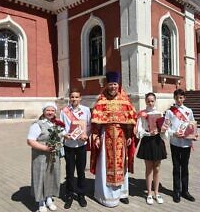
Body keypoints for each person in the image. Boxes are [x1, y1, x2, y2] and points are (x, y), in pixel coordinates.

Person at [90, 71, 137, 207]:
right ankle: (106, 195)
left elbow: (131, 119)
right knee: (105, 165)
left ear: (118, 85)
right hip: (106, 135)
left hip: (121, 136)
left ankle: (122, 193)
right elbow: (96, 121)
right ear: (107, 85)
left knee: (121, 164)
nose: (113, 87)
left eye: (115, 84)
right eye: (110, 84)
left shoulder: (125, 100)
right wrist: (96, 136)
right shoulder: (101, 100)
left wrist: (129, 135)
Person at [161, 89, 198, 203]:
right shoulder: (170, 112)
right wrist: (173, 133)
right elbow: (165, 128)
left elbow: (192, 125)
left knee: (185, 167)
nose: (179, 100)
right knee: (176, 168)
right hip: (175, 143)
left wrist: (194, 134)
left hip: (186, 143)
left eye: (181, 97)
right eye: (177, 98)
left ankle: (185, 191)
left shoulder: (189, 111)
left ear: (184, 98)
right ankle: (176, 191)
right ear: (174, 98)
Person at [27, 102, 65, 212]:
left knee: (52, 176)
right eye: (48, 110)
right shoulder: (37, 124)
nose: (50, 112)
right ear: (43, 111)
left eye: (52, 110)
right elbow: (30, 141)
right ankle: (41, 202)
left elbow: (63, 134)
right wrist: (45, 149)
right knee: (41, 177)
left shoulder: (56, 124)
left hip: (54, 156)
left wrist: (72, 136)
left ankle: (49, 198)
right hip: (40, 156)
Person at [59, 89, 91, 209]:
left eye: (76, 97)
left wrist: (86, 135)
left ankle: (81, 194)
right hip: (69, 144)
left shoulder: (86, 110)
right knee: (70, 171)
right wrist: (64, 134)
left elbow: (88, 126)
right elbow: (60, 126)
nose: (74, 99)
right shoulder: (64, 111)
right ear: (69, 98)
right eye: (72, 97)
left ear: (80, 98)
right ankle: (69, 195)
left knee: (81, 171)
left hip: (81, 145)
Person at [136, 92, 167, 205]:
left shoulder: (159, 113)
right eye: (148, 101)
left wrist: (160, 130)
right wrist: (148, 133)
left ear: (155, 101)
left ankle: (156, 192)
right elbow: (139, 130)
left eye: (152, 101)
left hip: (158, 141)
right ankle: (149, 193)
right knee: (149, 168)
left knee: (157, 168)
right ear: (145, 101)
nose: (150, 103)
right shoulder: (142, 114)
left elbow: (164, 129)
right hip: (147, 141)